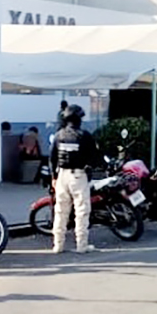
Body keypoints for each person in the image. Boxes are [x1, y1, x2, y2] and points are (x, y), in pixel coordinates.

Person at [49, 104, 99, 254]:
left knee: (60, 211)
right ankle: (81, 245)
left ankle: (58, 245)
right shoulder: (84, 136)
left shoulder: (59, 135)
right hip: (78, 176)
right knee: (82, 211)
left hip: (61, 176)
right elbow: (94, 157)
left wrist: (54, 177)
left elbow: (52, 158)